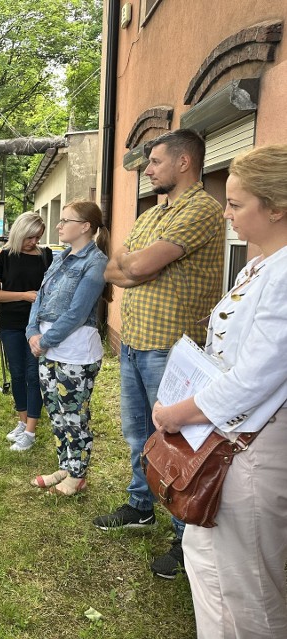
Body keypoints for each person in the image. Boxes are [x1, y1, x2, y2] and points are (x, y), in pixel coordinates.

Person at [151, 144, 287, 637]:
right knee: (206, 563)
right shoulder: (260, 264)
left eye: (236, 204)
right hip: (225, 439)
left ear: (276, 207)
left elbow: (256, 377)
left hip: (253, 447)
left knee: (246, 584)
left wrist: (177, 413)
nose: (226, 213)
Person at [95, 129, 225, 579]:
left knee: (176, 444)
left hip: (172, 348)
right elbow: (116, 267)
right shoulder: (154, 213)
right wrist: (132, 267)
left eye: (154, 162)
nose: (147, 170)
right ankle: (140, 504)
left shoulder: (203, 210)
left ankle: (185, 536)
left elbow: (139, 265)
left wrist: (135, 267)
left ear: (184, 162)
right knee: (137, 435)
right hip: (133, 340)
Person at [25, 202, 109, 495]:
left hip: (75, 353)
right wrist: (32, 332)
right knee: (56, 413)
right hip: (47, 349)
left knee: (74, 415)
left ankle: (78, 474)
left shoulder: (95, 262)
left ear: (85, 226)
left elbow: (76, 312)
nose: (58, 226)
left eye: (65, 221)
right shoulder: (60, 258)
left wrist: (44, 341)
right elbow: (40, 298)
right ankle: (65, 465)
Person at [0, 213, 52, 452]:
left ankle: (31, 431)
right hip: (11, 323)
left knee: (34, 375)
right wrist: (23, 295)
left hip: (38, 326)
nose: (34, 242)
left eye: (38, 237)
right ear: (19, 233)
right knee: (17, 373)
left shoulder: (46, 255)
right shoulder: (2, 256)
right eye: (30, 237)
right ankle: (22, 422)